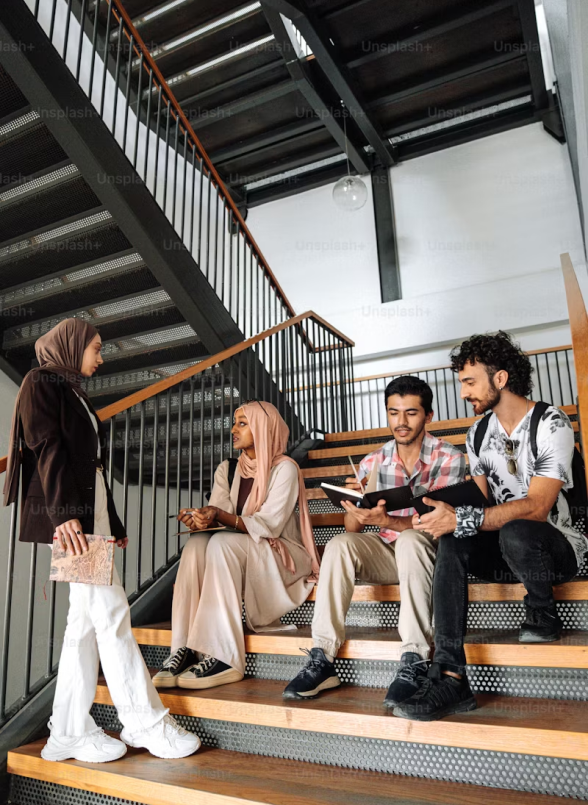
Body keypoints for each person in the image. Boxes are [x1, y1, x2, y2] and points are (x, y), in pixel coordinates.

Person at [3, 318, 200, 763]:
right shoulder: (41, 381)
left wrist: (113, 523)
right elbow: (46, 446)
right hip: (72, 521)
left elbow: (91, 467)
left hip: (88, 518)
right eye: (96, 347)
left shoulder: (72, 389)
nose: (101, 356)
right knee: (110, 613)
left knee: (85, 624)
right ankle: (145, 723)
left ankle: (68, 731)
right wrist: (64, 516)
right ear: (72, 346)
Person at [394, 332, 585, 722]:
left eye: (469, 381)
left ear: (499, 379)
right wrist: (441, 511)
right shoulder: (478, 433)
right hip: (505, 550)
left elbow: (537, 506)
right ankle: (450, 674)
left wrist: (465, 518)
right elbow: (480, 504)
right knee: (453, 536)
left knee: (516, 528)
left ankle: (543, 612)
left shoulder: (551, 422)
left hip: (558, 549)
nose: (464, 393)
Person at [282, 376, 467, 705]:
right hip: (388, 552)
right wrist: (356, 502)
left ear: (429, 416)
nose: (401, 421)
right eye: (393, 413)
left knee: (410, 538)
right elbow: (352, 529)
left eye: (411, 413)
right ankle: (322, 657)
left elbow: (438, 522)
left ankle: (415, 659)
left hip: (432, 552)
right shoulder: (373, 460)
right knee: (339, 544)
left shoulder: (448, 457)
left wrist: (388, 521)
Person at [153, 400, 321, 690]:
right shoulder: (228, 469)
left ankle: (225, 656)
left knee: (222, 545)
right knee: (196, 546)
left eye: (242, 423)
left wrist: (218, 516)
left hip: (280, 554)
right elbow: (219, 517)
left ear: (262, 427)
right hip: (240, 549)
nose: (233, 429)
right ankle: (184, 648)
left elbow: (269, 524)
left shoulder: (286, 470)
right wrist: (201, 520)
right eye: (235, 422)